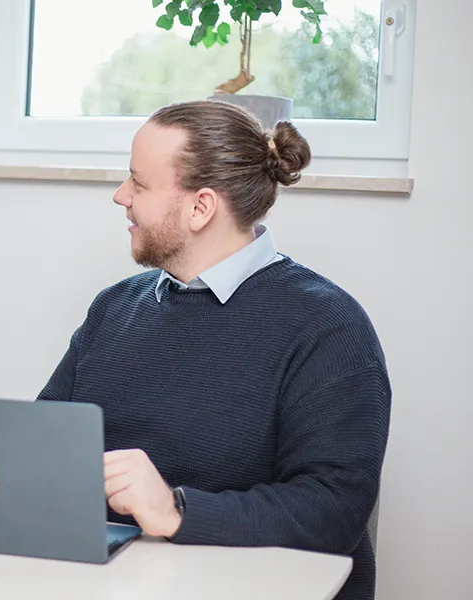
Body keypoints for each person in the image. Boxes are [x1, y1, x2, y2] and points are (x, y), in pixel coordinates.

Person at [38, 100, 390, 600]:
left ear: (201, 207)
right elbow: (47, 441)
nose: (121, 196)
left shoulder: (328, 328)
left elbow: (331, 511)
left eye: (138, 184)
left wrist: (176, 511)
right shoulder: (114, 309)